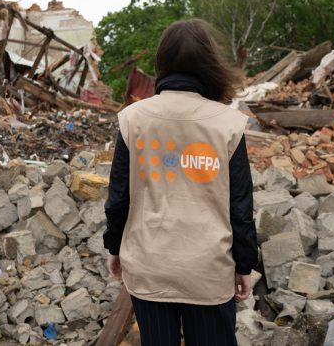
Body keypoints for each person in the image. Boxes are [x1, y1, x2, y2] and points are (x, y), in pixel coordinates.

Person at [103, 18, 258, 345]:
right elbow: (240, 207)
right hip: (208, 271)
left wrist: (114, 247)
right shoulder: (228, 124)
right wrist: (245, 264)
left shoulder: (132, 119)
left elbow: (118, 197)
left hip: (148, 265)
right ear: (208, 63)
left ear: (161, 62)